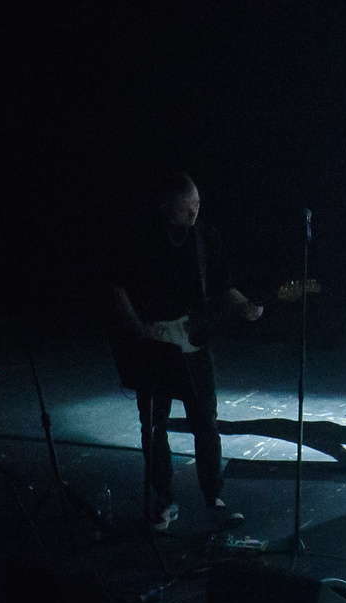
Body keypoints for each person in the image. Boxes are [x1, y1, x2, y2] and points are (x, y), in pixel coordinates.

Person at [106, 172, 262, 531]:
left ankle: (214, 496)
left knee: (206, 421)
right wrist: (136, 328)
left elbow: (223, 287)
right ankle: (164, 499)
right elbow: (116, 286)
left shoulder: (205, 237)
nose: (194, 213)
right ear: (165, 206)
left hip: (194, 341)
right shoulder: (142, 238)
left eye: (197, 205)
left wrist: (245, 306)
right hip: (154, 341)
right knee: (154, 424)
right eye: (185, 208)